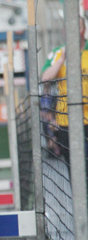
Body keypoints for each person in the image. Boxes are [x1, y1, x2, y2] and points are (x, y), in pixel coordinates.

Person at [41, 16, 88, 166]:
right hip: (66, 121)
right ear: (64, 32)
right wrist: (61, 60)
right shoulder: (57, 54)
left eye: (77, 27)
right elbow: (45, 79)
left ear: (84, 30)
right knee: (73, 166)